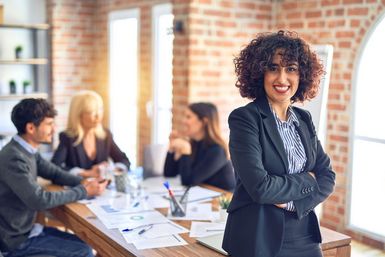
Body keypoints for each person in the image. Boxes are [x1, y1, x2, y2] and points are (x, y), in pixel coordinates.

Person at [222, 30, 336, 257]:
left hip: (304, 234)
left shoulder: (304, 119)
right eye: (273, 68)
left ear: (302, 75)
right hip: (257, 238)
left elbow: (327, 177)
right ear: (259, 73)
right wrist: (307, 180)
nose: (282, 79)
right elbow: (261, 188)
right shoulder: (245, 119)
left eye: (291, 69)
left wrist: (292, 203)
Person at [0, 98, 108, 257]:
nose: (54, 129)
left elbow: (54, 173)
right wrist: (84, 191)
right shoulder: (14, 158)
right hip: (16, 242)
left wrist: (85, 182)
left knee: (87, 244)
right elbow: (39, 199)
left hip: (29, 231)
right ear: (30, 128)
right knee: (84, 251)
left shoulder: (27, 150)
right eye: (49, 124)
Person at [51, 90, 130, 178]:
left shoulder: (105, 135)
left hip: (103, 189)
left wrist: (112, 169)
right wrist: (85, 173)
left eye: (100, 109)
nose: (98, 115)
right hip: (79, 189)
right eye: (91, 112)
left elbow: (124, 160)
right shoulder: (67, 137)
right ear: (78, 115)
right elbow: (53, 169)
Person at [163, 102, 235, 191]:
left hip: (223, 200)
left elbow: (188, 181)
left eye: (188, 117)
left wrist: (185, 151)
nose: (183, 121)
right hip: (204, 196)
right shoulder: (194, 144)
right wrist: (171, 148)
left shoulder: (217, 150)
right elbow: (169, 173)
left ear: (204, 122)